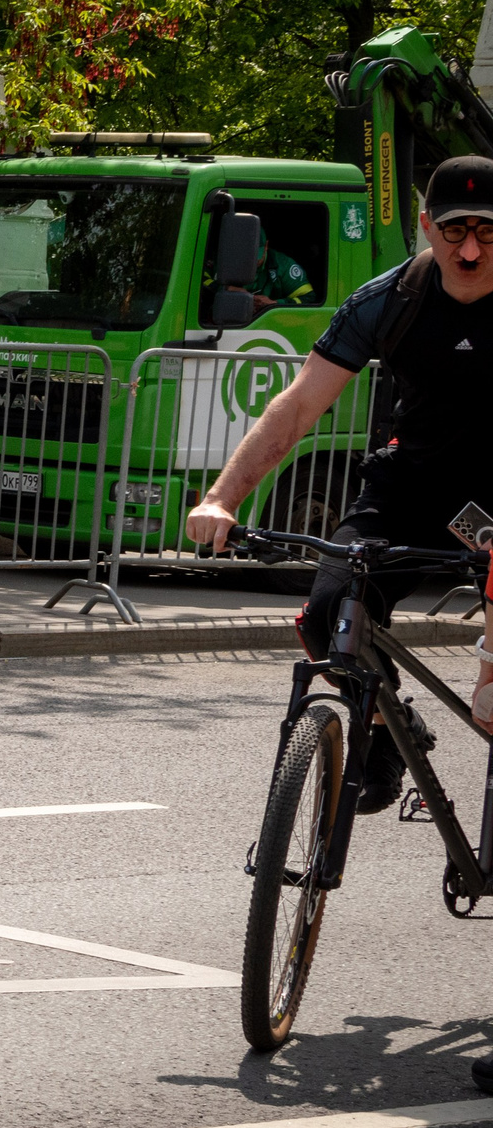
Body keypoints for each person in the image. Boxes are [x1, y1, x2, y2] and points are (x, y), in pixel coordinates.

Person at [187, 155, 493, 831]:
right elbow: (297, 408)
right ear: (424, 226)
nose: (469, 250)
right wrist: (222, 499)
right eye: (453, 231)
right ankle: (386, 727)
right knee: (330, 613)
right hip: (412, 486)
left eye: (488, 232)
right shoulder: (394, 300)